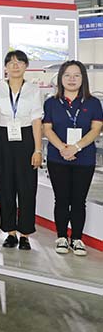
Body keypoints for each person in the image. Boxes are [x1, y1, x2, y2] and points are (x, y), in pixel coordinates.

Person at [43, 60, 103, 256]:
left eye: (76, 75)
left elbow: (96, 129)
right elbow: (47, 129)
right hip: (57, 157)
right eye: (67, 75)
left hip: (84, 158)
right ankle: (61, 237)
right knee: (61, 199)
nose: (71, 79)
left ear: (83, 78)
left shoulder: (93, 103)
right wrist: (63, 148)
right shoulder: (51, 103)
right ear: (60, 78)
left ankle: (77, 239)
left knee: (78, 200)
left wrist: (76, 147)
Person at [0, 50, 43, 251]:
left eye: (20, 62)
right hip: (3, 138)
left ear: (26, 66)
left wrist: (37, 149)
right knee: (5, 187)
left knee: (27, 188)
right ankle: (10, 232)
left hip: (26, 138)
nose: (15, 66)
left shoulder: (33, 90)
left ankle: (25, 234)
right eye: (11, 62)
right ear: (5, 67)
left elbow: (37, 121)